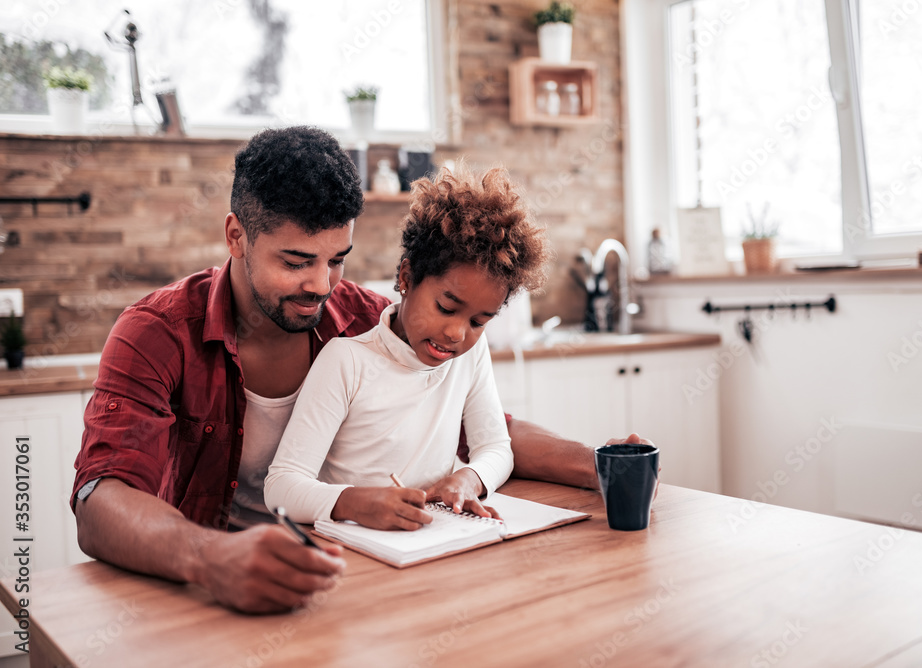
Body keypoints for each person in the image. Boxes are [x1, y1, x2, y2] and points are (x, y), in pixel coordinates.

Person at [72, 126, 644, 614]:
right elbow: (101, 501)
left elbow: (491, 429)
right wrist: (208, 556)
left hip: (351, 574)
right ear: (236, 236)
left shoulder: (364, 318)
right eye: (296, 262)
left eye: (336, 259)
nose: (321, 285)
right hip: (206, 582)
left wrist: (601, 465)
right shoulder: (156, 333)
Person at [264, 166, 550, 529]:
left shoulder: (470, 355)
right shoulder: (346, 362)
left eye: (479, 321)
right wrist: (353, 502)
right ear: (406, 277)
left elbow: (496, 448)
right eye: (446, 308)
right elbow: (281, 486)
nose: (456, 333)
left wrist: (470, 479)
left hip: (431, 544)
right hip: (354, 552)